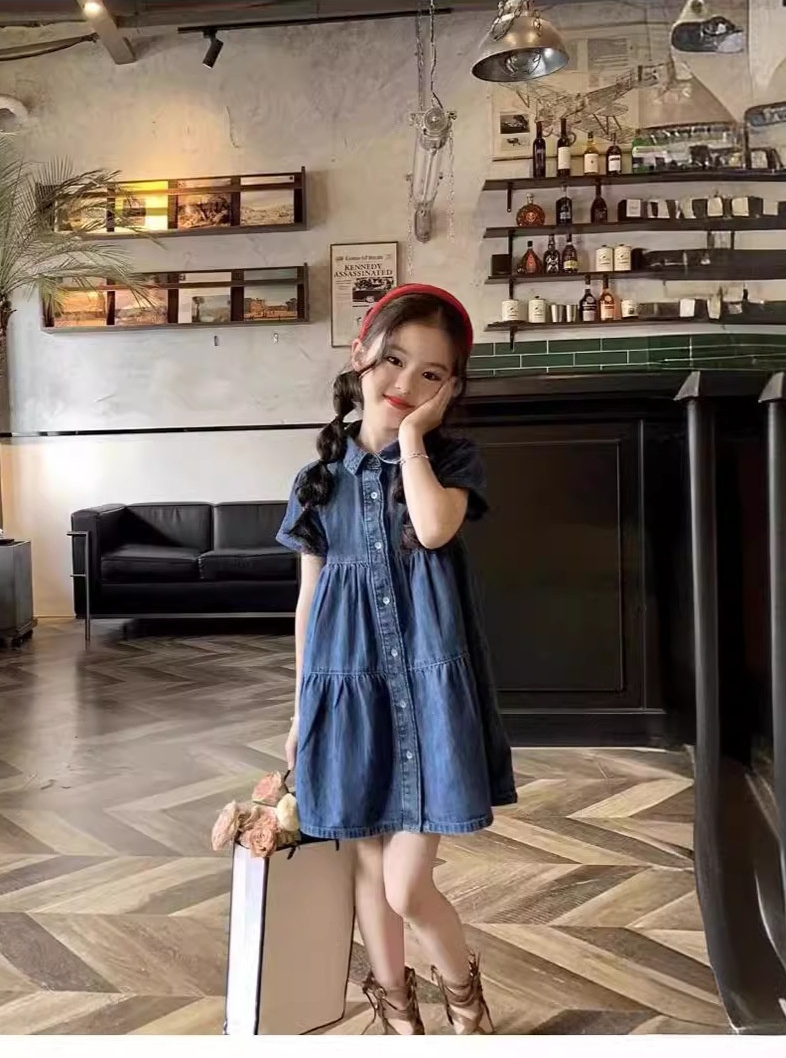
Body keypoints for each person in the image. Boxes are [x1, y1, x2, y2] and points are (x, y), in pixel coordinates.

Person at [275, 284, 517, 1036]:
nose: (406, 382)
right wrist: (300, 711)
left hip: (427, 691)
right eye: (394, 360)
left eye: (431, 374)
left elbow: (435, 528)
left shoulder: (448, 461)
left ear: (451, 389)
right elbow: (308, 603)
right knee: (368, 867)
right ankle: (397, 1013)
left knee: (407, 885)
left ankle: (465, 999)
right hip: (346, 691)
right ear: (361, 354)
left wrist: (411, 436)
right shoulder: (317, 482)